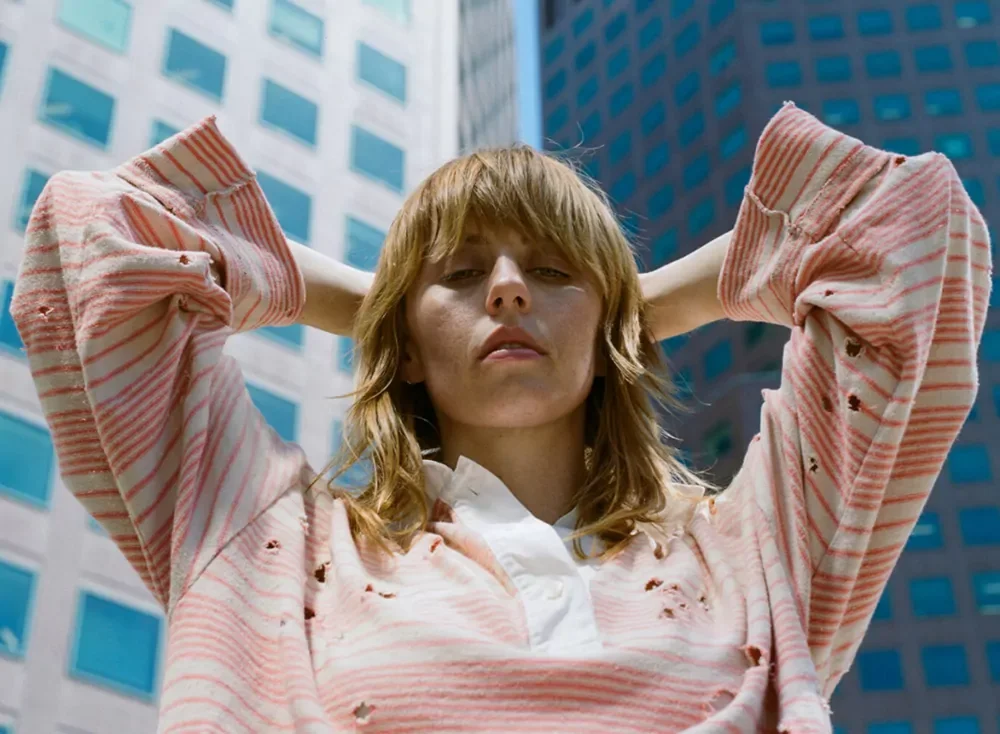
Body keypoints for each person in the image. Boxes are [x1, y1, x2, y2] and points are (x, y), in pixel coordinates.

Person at [11, 102, 990, 733]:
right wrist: (386, 309)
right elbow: (93, 237)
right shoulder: (265, 536)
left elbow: (910, 225)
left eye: (552, 271)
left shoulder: (760, 547)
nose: (512, 291)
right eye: (466, 272)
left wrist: (634, 305)